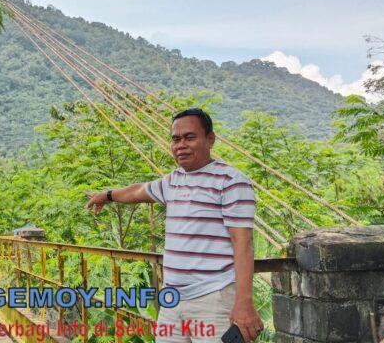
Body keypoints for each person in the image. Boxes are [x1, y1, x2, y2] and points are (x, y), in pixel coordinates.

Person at [85, 107, 264, 342]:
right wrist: (107, 196)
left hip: (213, 299)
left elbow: (243, 242)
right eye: (175, 139)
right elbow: (138, 191)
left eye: (189, 137)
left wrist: (244, 303)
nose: (181, 145)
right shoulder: (174, 180)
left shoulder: (231, 181)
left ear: (210, 139)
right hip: (173, 301)